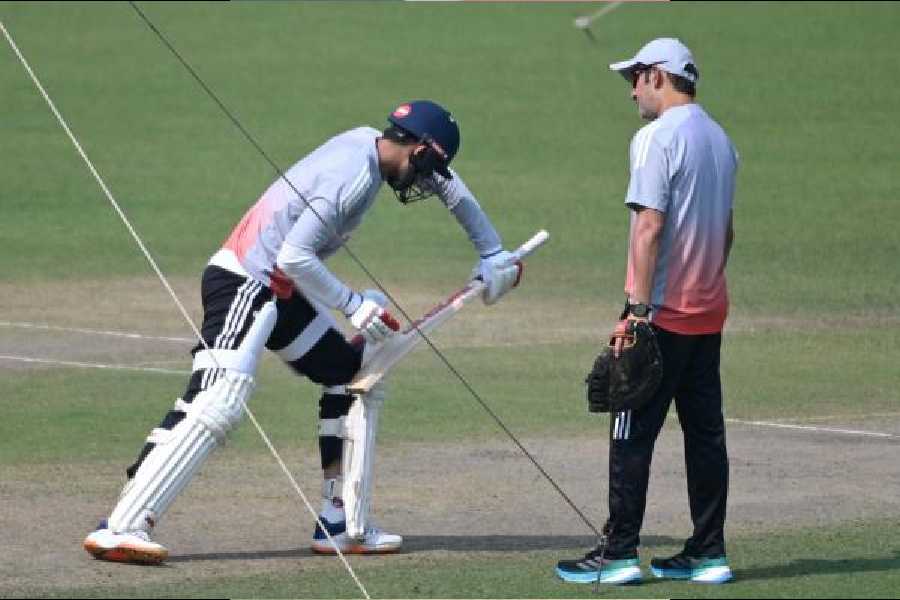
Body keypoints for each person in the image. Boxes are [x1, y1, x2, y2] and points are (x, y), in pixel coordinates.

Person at [83, 99, 524, 564]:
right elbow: (293, 256)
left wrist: (492, 252)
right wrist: (353, 305)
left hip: (279, 292)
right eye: (426, 166)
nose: (425, 181)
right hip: (245, 281)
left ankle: (340, 522)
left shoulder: (373, 144)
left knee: (350, 376)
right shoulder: (351, 178)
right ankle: (122, 525)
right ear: (416, 149)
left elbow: (451, 188)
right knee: (218, 397)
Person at [556, 38, 737, 585]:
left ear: (658, 75)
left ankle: (617, 554)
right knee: (705, 435)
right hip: (709, 311)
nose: (632, 91)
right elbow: (726, 232)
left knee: (630, 432)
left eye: (634, 78)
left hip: (658, 315)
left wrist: (636, 312)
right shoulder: (721, 140)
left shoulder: (656, 138)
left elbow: (649, 226)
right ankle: (708, 552)